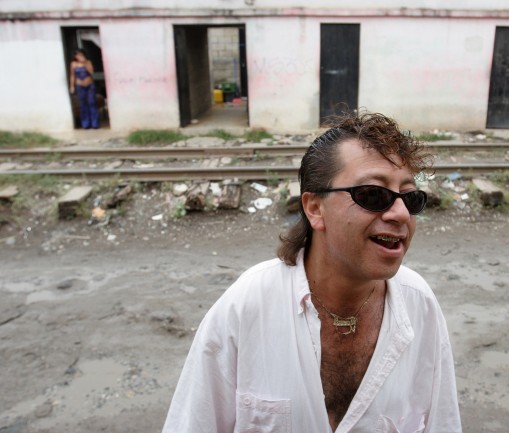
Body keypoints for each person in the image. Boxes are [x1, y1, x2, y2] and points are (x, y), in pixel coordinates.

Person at [162, 111, 462, 433]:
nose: (401, 213)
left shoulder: (419, 307)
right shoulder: (246, 306)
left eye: (411, 197)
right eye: (374, 194)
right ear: (315, 209)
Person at [69, 48, 100, 129]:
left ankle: (95, 123)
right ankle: (85, 124)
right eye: (77, 55)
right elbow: (72, 75)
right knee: (83, 104)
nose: (79, 56)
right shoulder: (73, 64)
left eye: (81, 55)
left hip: (89, 85)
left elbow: (91, 72)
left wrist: (85, 63)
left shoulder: (88, 62)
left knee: (92, 103)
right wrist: (72, 86)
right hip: (80, 85)